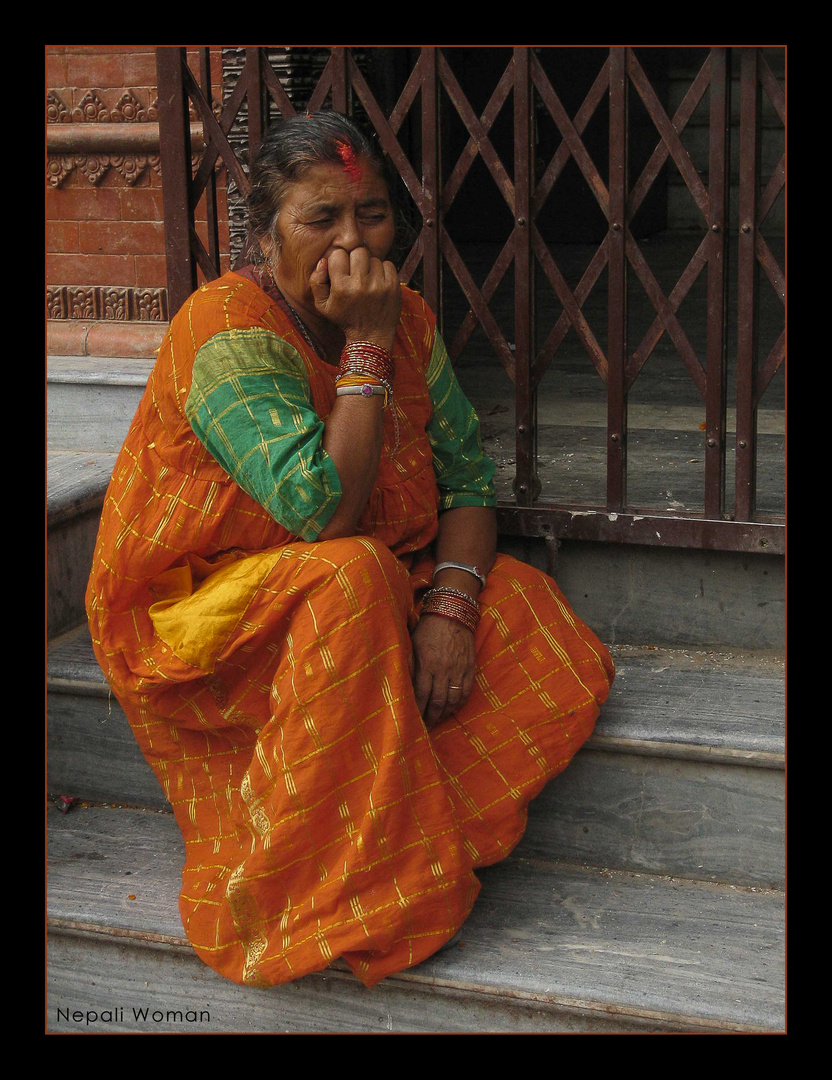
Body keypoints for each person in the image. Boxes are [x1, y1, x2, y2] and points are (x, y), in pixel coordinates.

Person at [85, 110, 614, 990]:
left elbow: (469, 485)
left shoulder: (404, 316)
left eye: (370, 214)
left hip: (364, 585)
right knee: (354, 573)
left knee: (521, 608)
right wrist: (364, 347)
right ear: (266, 236)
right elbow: (323, 513)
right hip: (204, 617)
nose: (349, 240)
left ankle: (413, 832)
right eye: (318, 218)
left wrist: (449, 606)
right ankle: (328, 896)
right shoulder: (227, 331)